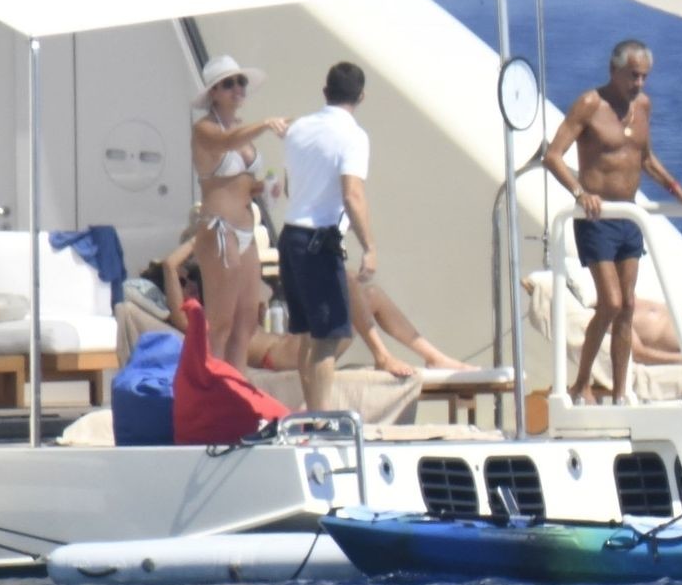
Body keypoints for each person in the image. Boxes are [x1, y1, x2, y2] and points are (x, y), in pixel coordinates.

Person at [542, 39, 682, 405]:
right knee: (611, 302)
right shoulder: (589, 104)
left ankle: (619, 393)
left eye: (644, 76)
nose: (639, 83)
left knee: (628, 304)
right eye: (633, 75)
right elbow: (553, 156)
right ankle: (581, 382)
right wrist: (581, 193)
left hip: (629, 217)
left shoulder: (642, 106)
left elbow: (645, 159)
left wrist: (678, 191)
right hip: (597, 218)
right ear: (613, 71)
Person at [140, 241, 472, 376]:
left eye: (190, 279)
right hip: (284, 356)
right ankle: (385, 356)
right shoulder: (193, 323)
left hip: (293, 344)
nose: (191, 284)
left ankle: (432, 356)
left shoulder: (218, 312)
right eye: (183, 282)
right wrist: (201, 235)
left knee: (367, 292)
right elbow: (170, 265)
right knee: (349, 282)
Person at [280, 61, 377, 411]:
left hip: (290, 235)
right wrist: (369, 247)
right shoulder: (353, 136)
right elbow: (352, 194)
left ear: (326, 92)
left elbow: (290, 186)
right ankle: (320, 419)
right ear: (361, 96)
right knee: (329, 336)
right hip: (319, 241)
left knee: (308, 335)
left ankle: (312, 414)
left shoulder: (298, 129)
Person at [188, 55, 287, 367]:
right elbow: (227, 142)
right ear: (214, 93)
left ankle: (236, 384)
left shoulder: (242, 129)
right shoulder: (205, 129)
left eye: (241, 81)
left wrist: (264, 188)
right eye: (228, 84)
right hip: (220, 228)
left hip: (246, 228)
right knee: (221, 323)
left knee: (247, 322)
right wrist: (265, 124)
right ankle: (212, 386)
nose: (238, 88)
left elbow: (240, 183)